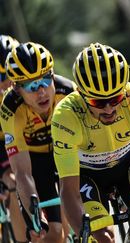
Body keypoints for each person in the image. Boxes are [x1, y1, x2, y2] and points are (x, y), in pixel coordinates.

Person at [51, 43, 130, 243]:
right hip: (87, 177)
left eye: (115, 98)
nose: (108, 109)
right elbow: (69, 190)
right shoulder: (66, 116)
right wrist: (83, 232)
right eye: (97, 102)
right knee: (103, 239)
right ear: (81, 95)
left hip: (129, 168)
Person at [0, 41, 75, 243]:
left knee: (93, 224)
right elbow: (23, 173)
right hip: (36, 160)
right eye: (31, 86)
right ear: (16, 88)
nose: (41, 91)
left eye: (44, 80)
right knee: (53, 233)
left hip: (67, 152)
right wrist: (35, 217)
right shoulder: (11, 109)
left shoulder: (68, 93)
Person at [0, 34, 27, 243]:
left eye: (9, 74)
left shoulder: (28, 91)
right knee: (13, 182)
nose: (5, 83)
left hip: (23, 140)